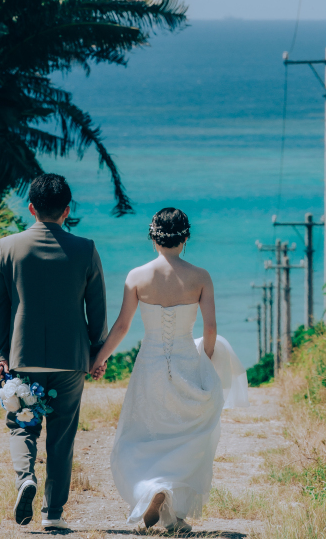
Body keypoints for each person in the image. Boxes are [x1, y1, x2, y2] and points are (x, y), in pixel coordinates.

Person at [91, 207, 248, 534]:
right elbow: (211, 328)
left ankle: (153, 491)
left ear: (153, 237)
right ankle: (170, 503)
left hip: (148, 364)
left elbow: (121, 327)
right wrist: (203, 360)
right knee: (188, 434)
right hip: (185, 360)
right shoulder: (200, 276)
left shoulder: (136, 276)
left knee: (144, 432)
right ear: (186, 237)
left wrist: (100, 359)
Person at [0, 173, 108, 531]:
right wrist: (96, 354)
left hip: (22, 356)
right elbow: (97, 310)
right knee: (61, 435)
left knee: (22, 425)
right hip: (70, 358)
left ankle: (26, 477)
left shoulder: (8, 247)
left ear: (31, 208)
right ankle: (53, 513)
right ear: (67, 210)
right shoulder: (85, 248)